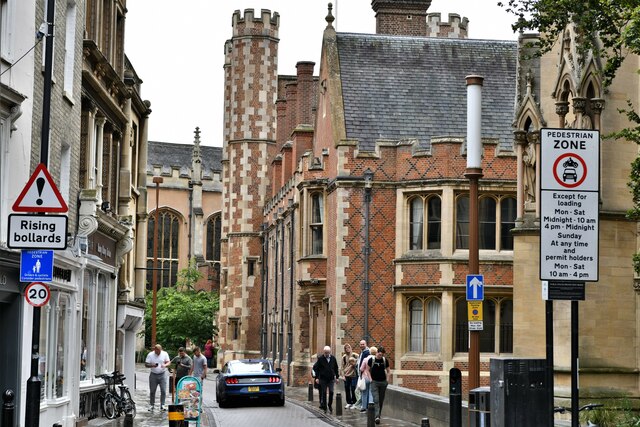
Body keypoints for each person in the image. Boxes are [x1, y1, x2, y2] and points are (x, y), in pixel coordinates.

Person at [312, 345, 340, 413]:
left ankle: (329, 404)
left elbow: (336, 368)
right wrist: (317, 378)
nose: (326, 354)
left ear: (330, 352)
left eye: (327, 352)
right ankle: (324, 406)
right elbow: (316, 368)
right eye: (325, 352)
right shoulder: (321, 359)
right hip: (323, 379)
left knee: (331, 392)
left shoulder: (333, 358)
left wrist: (337, 377)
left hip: (331, 379)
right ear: (323, 352)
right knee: (324, 392)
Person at [368, 346, 391, 424]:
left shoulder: (385, 360)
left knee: (381, 400)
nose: (379, 356)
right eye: (378, 354)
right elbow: (367, 370)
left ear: (383, 354)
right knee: (376, 399)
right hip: (374, 382)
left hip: (383, 382)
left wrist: (387, 380)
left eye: (381, 355)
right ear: (377, 352)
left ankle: (378, 415)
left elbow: (388, 371)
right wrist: (370, 379)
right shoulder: (371, 360)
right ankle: (377, 416)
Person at [145, 344, 171, 412]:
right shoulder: (150, 354)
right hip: (153, 374)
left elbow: (169, 362)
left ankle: (162, 404)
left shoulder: (165, 354)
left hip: (163, 374)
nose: (158, 353)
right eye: (157, 351)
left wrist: (165, 365)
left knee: (163, 390)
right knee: (152, 390)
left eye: (160, 351)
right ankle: (151, 404)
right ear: (155, 350)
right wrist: (152, 365)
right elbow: (146, 364)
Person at [341, 343, 358, 409]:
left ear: (350, 348)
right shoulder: (344, 357)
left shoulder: (355, 355)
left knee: (353, 389)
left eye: (348, 347)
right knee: (347, 389)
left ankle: (354, 403)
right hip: (346, 375)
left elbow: (359, 363)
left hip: (353, 375)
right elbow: (342, 367)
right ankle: (349, 402)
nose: (347, 349)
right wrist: (343, 376)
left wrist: (355, 364)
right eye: (346, 348)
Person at [354, 339, 370, 411]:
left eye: (363, 344)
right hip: (361, 375)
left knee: (363, 391)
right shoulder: (362, 352)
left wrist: (361, 372)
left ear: (366, 344)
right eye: (361, 344)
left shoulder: (367, 353)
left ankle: (364, 406)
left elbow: (364, 366)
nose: (362, 345)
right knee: (363, 391)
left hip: (364, 375)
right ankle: (364, 406)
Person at [360, 346, 376, 413]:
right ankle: (370, 406)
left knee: (364, 392)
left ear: (369, 352)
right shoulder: (376, 359)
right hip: (373, 378)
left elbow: (361, 369)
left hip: (365, 377)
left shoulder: (366, 359)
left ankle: (364, 407)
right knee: (371, 392)